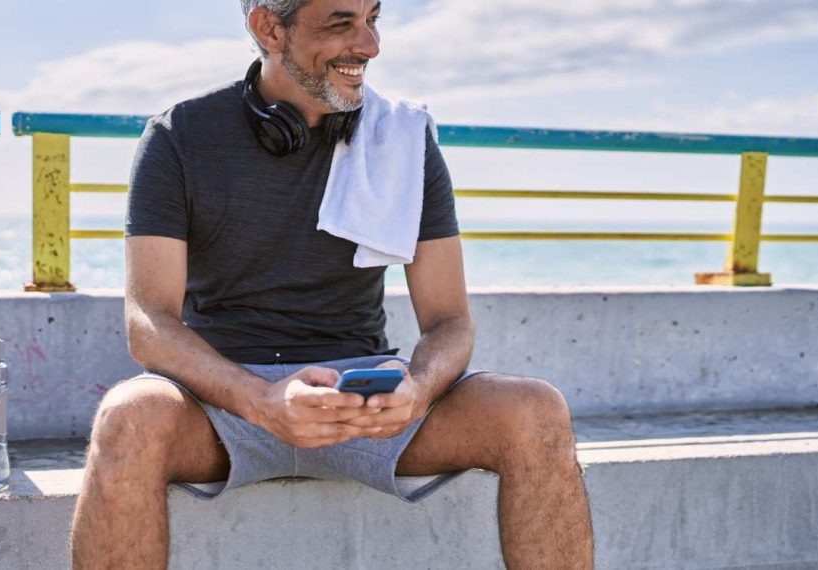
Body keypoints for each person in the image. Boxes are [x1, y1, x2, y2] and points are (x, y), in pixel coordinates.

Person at [70, 0, 594, 567]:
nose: (368, 45)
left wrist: (416, 388)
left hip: (364, 407)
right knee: (128, 415)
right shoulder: (180, 135)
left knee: (535, 409)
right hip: (225, 406)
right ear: (269, 28)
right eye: (341, 23)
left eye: (373, 19)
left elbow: (450, 322)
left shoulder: (403, 138)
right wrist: (262, 401)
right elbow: (149, 324)